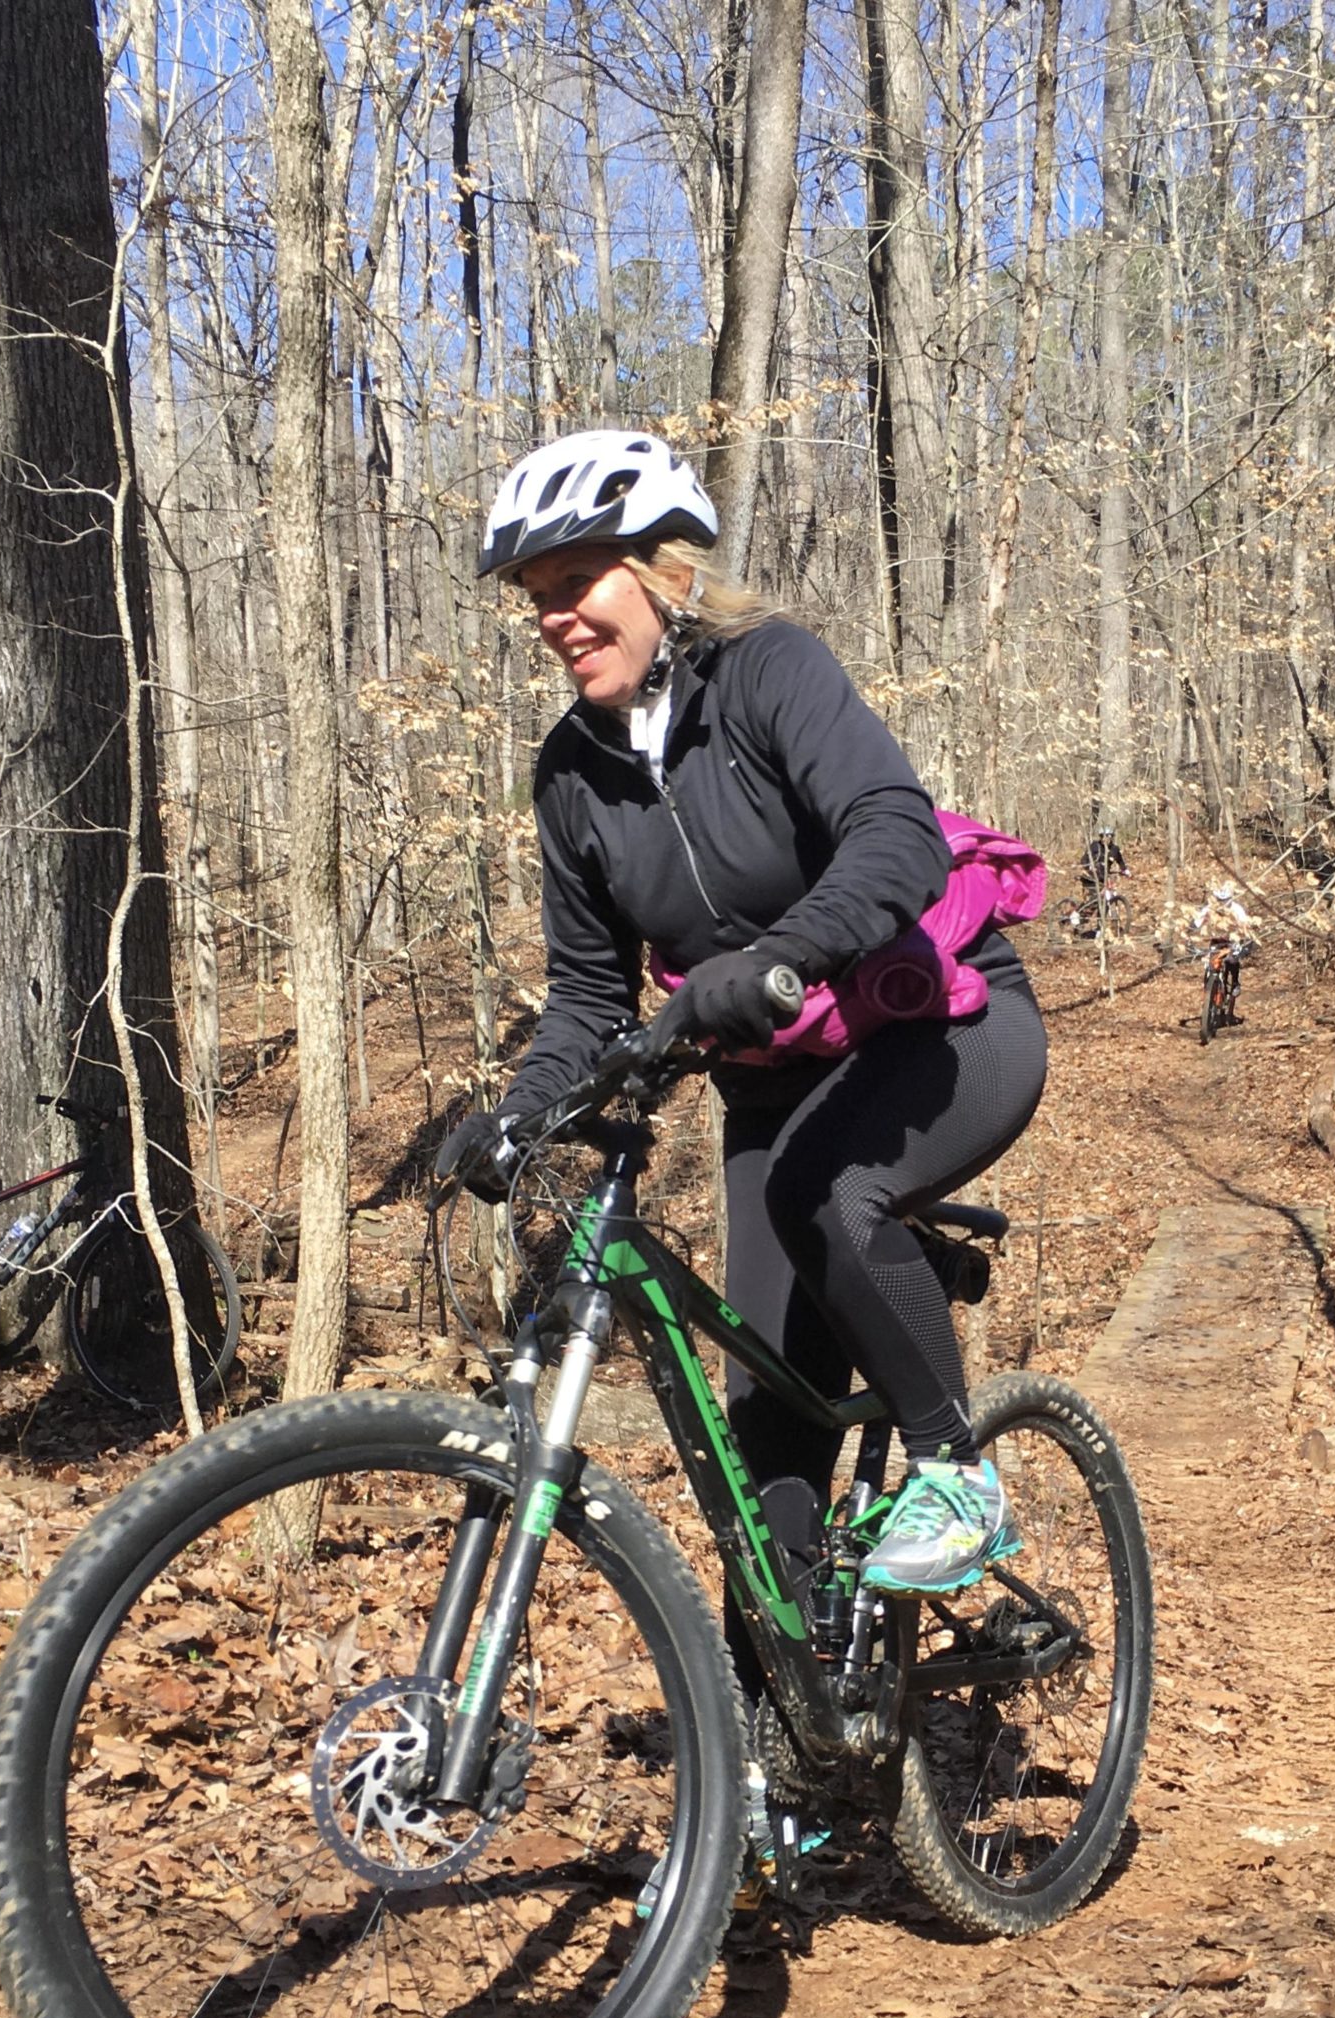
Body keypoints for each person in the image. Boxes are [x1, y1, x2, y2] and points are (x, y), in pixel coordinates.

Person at [435, 429, 1048, 1594]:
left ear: (664, 572)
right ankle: (784, 1755)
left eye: (576, 583)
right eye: (536, 598)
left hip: (942, 1028)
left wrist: (780, 955)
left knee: (825, 1191)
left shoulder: (769, 671)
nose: (555, 617)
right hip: (772, 1080)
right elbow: (584, 994)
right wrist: (520, 1117)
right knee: (764, 1431)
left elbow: (893, 832)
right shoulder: (569, 774)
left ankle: (955, 1474)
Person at [1189, 877, 1255, 1018]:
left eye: (1225, 901)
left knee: (1232, 960)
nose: (1222, 904)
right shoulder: (1209, 909)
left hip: (1232, 941)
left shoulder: (1237, 910)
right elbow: (1195, 923)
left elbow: (1247, 928)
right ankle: (1209, 991)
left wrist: (1246, 945)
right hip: (1216, 942)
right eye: (1220, 900)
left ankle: (1235, 983)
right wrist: (1188, 936)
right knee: (1209, 965)